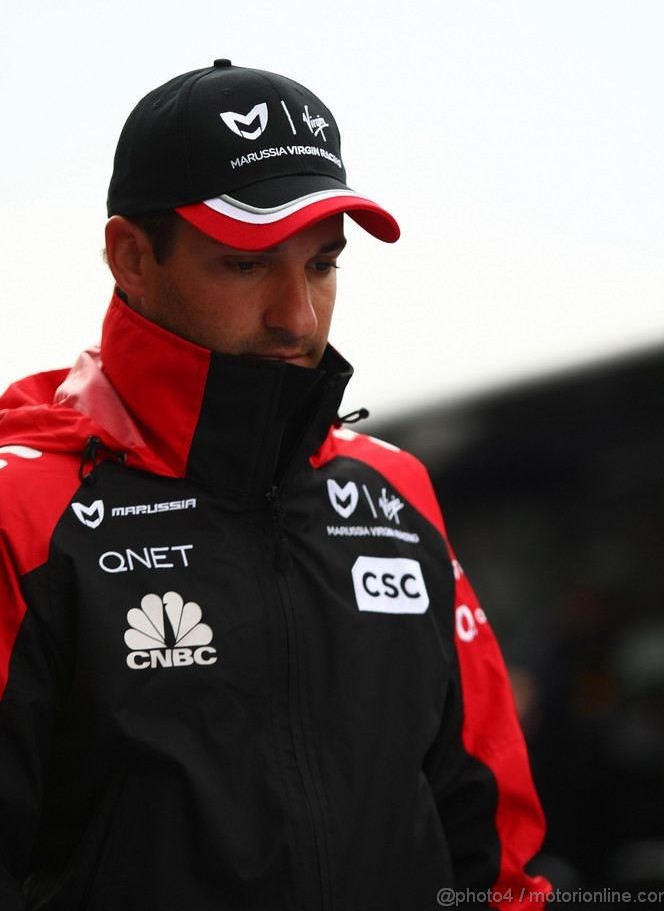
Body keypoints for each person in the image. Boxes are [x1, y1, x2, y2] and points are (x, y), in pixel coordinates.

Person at [0, 59, 551, 910]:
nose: (297, 315)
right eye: (248, 264)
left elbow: (496, 860)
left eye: (323, 265)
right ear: (132, 258)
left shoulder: (395, 496)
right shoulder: (26, 511)